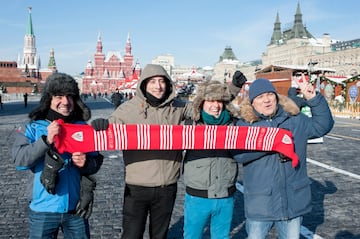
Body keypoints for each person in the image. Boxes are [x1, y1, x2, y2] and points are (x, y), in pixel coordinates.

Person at [90, 65, 246, 239]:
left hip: (167, 186)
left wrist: (232, 89)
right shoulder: (128, 109)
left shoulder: (178, 107)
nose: (158, 86)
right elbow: (111, 126)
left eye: (162, 81)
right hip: (137, 187)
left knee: (159, 235)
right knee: (132, 234)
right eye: (153, 82)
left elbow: (208, 105)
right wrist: (101, 125)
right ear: (144, 84)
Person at [232, 76, 334, 239]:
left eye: (269, 95)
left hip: (292, 203)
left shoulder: (294, 119)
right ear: (252, 103)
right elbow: (239, 154)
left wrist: (313, 99)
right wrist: (272, 142)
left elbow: (322, 126)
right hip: (260, 204)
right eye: (260, 97)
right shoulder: (245, 126)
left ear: (276, 97)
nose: (266, 100)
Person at [12, 73, 104, 239]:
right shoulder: (33, 126)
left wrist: (86, 163)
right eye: (59, 96)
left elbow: (96, 162)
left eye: (70, 96)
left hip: (75, 208)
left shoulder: (82, 127)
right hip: (43, 210)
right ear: (49, 99)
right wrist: (46, 141)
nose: (65, 102)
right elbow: (20, 161)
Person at [182, 80, 238, 239]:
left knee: (221, 236)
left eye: (219, 101)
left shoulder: (234, 124)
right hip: (197, 196)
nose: (215, 105)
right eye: (211, 100)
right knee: (192, 236)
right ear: (201, 103)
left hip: (225, 194)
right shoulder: (190, 125)